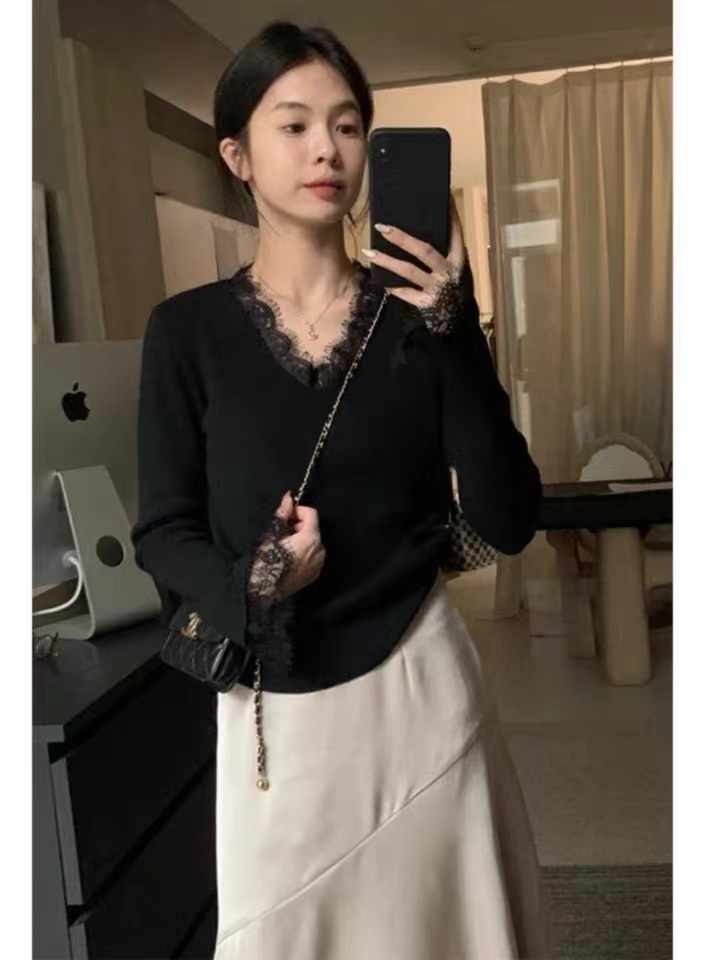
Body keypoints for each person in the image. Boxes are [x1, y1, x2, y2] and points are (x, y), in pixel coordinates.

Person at [130, 19, 554, 960]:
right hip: (277, 716)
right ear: (237, 156)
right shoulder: (186, 333)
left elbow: (510, 517)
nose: (327, 148)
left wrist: (456, 328)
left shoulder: (423, 319)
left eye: (348, 125)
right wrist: (257, 579)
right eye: (293, 126)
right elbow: (163, 530)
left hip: (421, 685)